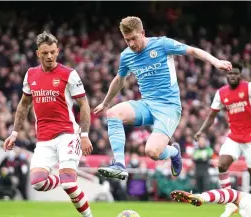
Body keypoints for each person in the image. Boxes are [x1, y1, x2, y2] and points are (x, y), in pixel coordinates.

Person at [93, 16, 232, 180]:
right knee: (112, 113)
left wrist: (216, 62)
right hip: (146, 105)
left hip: (169, 107)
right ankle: (119, 165)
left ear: (142, 33)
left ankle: (174, 151)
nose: (131, 44)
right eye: (127, 40)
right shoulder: (126, 56)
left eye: (134, 38)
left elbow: (193, 51)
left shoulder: (162, 44)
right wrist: (106, 102)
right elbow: (119, 80)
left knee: (152, 152)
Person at [3, 31, 99, 217]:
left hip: (68, 134)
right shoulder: (30, 75)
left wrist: (84, 134)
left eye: (53, 52)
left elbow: (84, 105)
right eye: (45, 53)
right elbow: (24, 104)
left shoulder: (69, 74)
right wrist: (14, 133)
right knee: (37, 182)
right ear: (38, 53)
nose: (49, 56)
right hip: (44, 138)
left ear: (58, 51)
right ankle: (62, 178)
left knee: (69, 184)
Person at [194, 63, 251, 217]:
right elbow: (211, 116)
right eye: (230, 74)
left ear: (240, 75)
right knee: (221, 164)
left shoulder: (249, 88)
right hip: (234, 137)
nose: (232, 76)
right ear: (226, 75)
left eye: (235, 74)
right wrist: (201, 131)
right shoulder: (221, 93)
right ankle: (230, 204)